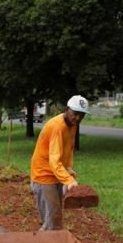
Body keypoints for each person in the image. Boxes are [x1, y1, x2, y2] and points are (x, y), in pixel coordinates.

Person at [30, 95, 89, 230]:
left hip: (56, 173)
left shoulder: (72, 125)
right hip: (44, 175)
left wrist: (68, 168)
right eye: (75, 114)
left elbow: (68, 149)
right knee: (52, 220)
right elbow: (54, 160)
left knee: (55, 218)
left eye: (82, 115)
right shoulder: (58, 126)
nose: (78, 118)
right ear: (67, 109)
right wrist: (69, 181)